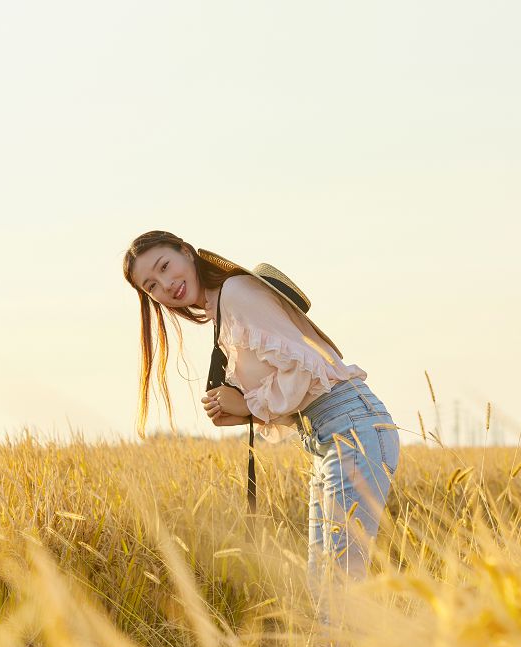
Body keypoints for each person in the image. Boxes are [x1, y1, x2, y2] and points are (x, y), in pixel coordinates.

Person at [122, 230, 400, 623]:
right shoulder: (223, 309)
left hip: (348, 427)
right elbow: (298, 389)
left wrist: (248, 402)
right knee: (327, 587)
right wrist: (245, 412)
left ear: (187, 252)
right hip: (328, 434)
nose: (166, 285)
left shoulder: (236, 293)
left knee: (336, 590)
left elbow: (306, 366)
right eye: (151, 286)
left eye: (165, 267)